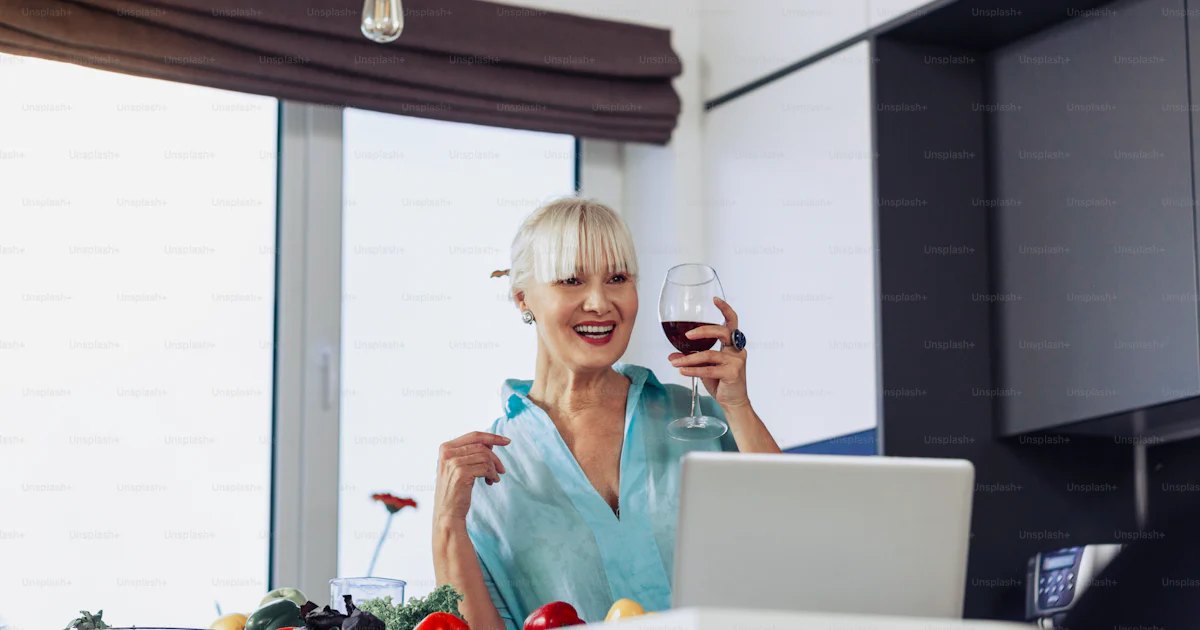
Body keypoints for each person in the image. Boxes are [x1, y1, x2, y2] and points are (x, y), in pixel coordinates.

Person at [431, 198, 781, 630]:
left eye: (617, 278)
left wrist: (738, 407)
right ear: (524, 299)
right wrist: (447, 523)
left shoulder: (698, 419)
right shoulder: (486, 472)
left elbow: (794, 549)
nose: (599, 302)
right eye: (571, 280)